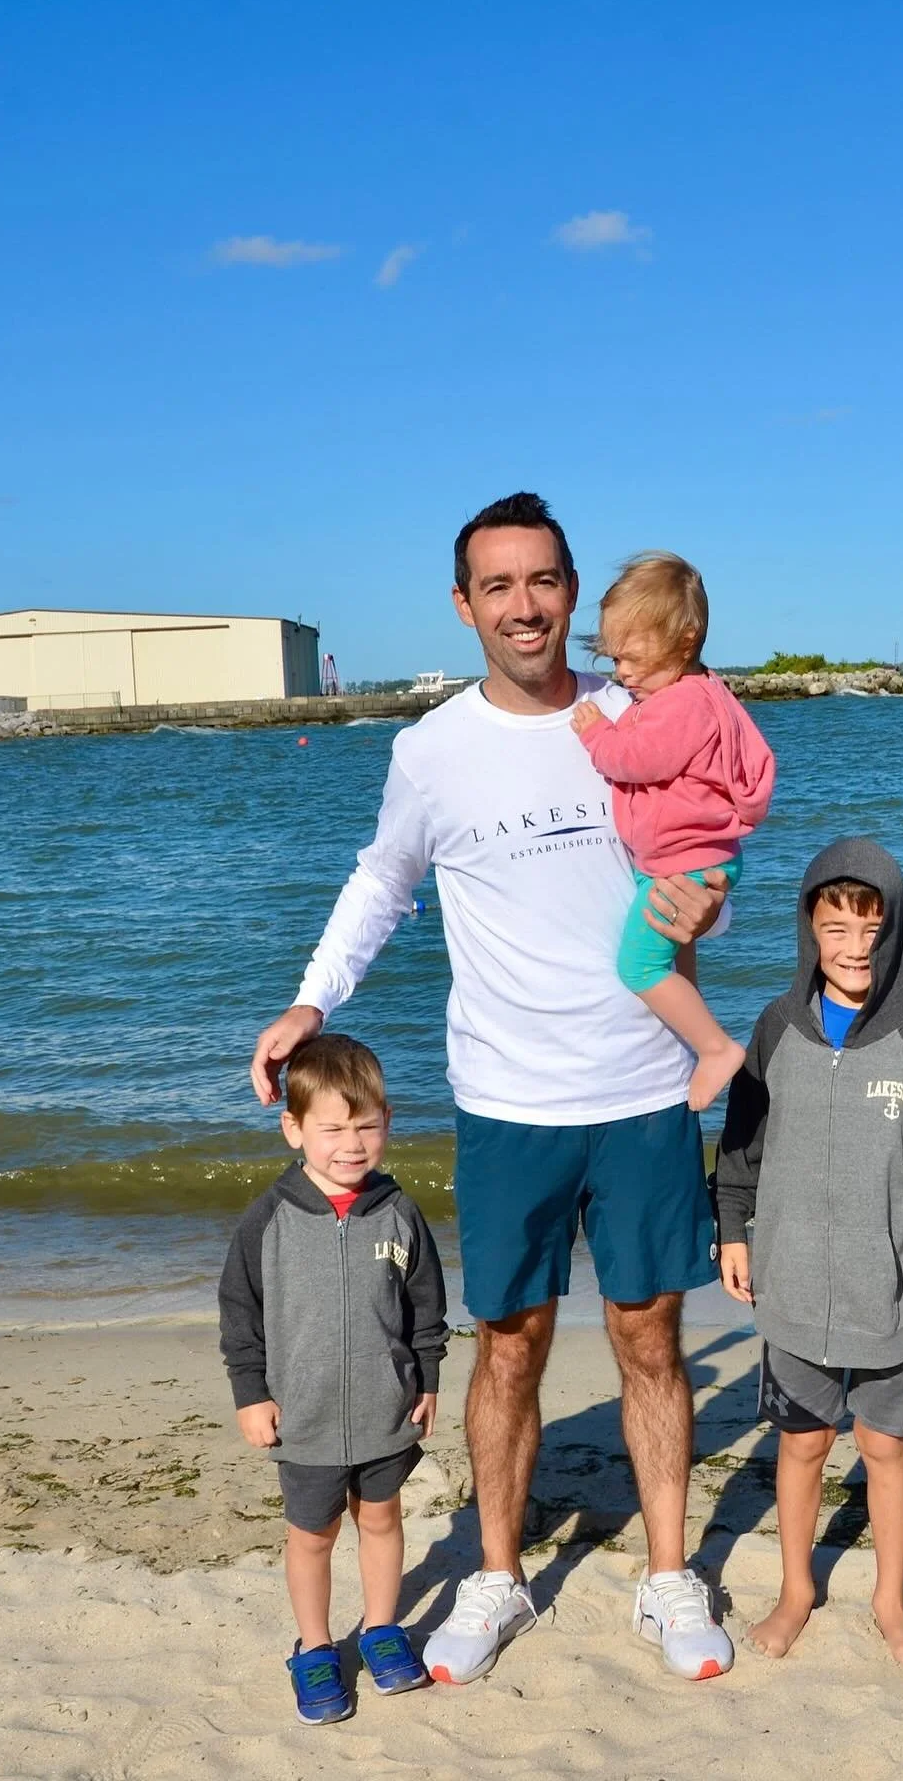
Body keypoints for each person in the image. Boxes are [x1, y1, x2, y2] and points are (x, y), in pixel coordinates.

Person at [249, 492, 736, 1685]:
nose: (527, 606)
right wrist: (316, 1001)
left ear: (576, 594)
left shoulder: (642, 708)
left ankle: (669, 1575)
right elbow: (382, 882)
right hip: (509, 1101)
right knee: (507, 1347)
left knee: (649, 1339)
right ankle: (497, 1577)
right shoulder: (431, 750)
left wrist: (713, 896)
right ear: (465, 606)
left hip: (643, 1089)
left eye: (546, 581)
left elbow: (710, 829)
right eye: (501, 586)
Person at [714, 837, 903, 1663]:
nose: (855, 946)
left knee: (885, 1446)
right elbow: (739, 1149)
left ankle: (891, 1602)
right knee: (801, 1443)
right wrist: (732, 1229)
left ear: (896, 930)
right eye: (836, 929)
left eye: (872, 928)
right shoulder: (776, 1028)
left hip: (891, 1284)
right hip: (792, 1282)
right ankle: (797, 1589)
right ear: (809, 930)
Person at [218, 1034, 449, 1725]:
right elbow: (240, 1315)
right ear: (293, 1129)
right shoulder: (269, 1220)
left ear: (387, 1123)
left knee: (381, 1519)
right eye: (332, 1129)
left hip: (387, 1409)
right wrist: (251, 1394)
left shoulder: (398, 1211)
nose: (351, 1144)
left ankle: (381, 1629)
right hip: (306, 1415)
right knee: (312, 1534)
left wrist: (428, 1377)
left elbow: (426, 1306)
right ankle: (315, 1646)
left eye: (367, 1126)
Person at [571, 553, 775, 1112]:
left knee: (636, 965)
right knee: (673, 956)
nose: (622, 674)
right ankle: (695, 1038)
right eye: (615, 659)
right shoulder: (693, 693)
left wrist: (597, 733)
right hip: (688, 857)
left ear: (685, 642)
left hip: (685, 862)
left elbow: (637, 759)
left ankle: (714, 1048)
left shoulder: (682, 704)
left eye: (634, 659)